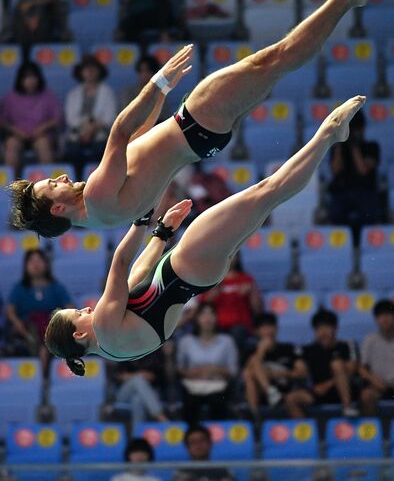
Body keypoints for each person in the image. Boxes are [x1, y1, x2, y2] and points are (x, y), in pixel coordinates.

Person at [9, 0, 387, 238]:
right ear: (57, 208)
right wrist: (158, 82)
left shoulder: (102, 215)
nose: (59, 176)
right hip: (195, 122)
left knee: (277, 64)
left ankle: (346, 0)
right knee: (278, 57)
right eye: (52, 184)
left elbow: (140, 141)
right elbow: (121, 132)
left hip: (202, 138)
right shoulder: (95, 196)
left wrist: (160, 97)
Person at [44, 95, 366, 375]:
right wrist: (142, 217)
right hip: (187, 262)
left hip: (198, 276)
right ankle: (329, 132)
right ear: (78, 336)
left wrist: (161, 231)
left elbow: (137, 275)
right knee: (266, 191)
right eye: (78, 314)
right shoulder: (103, 326)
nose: (86, 309)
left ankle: (328, 136)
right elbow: (121, 262)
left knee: (268, 199)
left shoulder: (115, 347)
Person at [5, 249, 73, 378]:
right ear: (25, 266)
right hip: (27, 330)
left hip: (52, 328)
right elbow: (10, 311)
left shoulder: (56, 287)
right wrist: (19, 325)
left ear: (46, 264)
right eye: (31, 261)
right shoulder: (19, 288)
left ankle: (44, 377)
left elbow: (69, 308)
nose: (35, 264)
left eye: (39, 260)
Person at [285, 309, 359, 418]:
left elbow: (351, 370)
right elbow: (300, 371)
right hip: (319, 392)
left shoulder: (347, 345)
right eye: (319, 328)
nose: (323, 332)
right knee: (291, 399)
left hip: (346, 389)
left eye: (327, 327)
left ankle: (347, 407)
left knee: (337, 364)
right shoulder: (307, 350)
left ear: (335, 328)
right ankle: (307, 432)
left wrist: (327, 385)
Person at [177, 302, 238, 424]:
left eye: (211, 314)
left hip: (219, 387)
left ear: (216, 318)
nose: (208, 318)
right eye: (203, 314)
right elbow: (179, 369)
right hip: (192, 387)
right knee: (190, 403)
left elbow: (233, 370)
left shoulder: (227, 341)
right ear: (197, 318)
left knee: (218, 402)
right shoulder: (186, 341)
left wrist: (213, 370)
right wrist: (198, 372)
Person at [0, 60, 62, 175]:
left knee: (43, 144)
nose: (30, 81)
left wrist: (42, 128)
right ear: (20, 79)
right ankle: (12, 188)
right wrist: (16, 130)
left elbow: (57, 119)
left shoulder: (48, 95)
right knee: (11, 144)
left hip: (41, 135)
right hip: (17, 135)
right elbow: (3, 121)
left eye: (33, 77)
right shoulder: (10, 97)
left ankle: (48, 188)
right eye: (27, 78)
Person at [328, 109, 380, 244]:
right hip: (343, 194)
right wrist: (339, 143)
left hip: (365, 194)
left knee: (366, 213)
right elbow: (335, 170)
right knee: (335, 213)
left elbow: (362, 169)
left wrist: (354, 147)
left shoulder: (372, 147)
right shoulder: (338, 148)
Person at [243, 313, 305, 419]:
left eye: (270, 326)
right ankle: (256, 415)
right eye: (263, 327)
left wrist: (274, 374)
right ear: (257, 332)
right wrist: (261, 352)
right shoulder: (251, 352)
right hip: (260, 394)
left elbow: (302, 372)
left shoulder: (289, 348)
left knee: (253, 367)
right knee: (251, 370)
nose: (268, 331)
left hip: (286, 390)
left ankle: (272, 395)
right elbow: (246, 375)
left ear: (276, 328)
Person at [64, 54, 117, 177]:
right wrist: (85, 128)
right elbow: (71, 119)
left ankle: (100, 181)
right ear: (81, 72)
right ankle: (76, 182)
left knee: (101, 148)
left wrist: (93, 128)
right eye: (86, 69)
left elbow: (110, 117)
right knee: (73, 151)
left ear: (99, 71)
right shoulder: (73, 94)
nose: (90, 72)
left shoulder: (107, 92)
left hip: (101, 132)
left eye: (93, 69)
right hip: (78, 133)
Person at [198, 253, 262, 342]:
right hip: (217, 327)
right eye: (226, 254)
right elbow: (201, 307)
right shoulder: (211, 279)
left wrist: (252, 292)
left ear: (238, 258)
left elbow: (258, 310)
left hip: (240, 327)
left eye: (233, 255)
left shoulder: (246, 279)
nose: (229, 258)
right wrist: (212, 295)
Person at [359, 299, 394, 415]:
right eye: (380, 316)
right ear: (376, 319)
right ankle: (370, 431)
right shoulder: (369, 340)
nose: (384, 319)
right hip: (379, 386)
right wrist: (373, 380)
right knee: (366, 395)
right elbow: (362, 368)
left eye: (388, 315)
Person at [120, 55, 171, 122]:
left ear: (155, 73)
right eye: (141, 71)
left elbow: (162, 118)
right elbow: (125, 117)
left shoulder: (161, 94)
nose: (144, 74)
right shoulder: (129, 92)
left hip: (154, 130)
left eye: (147, 71)